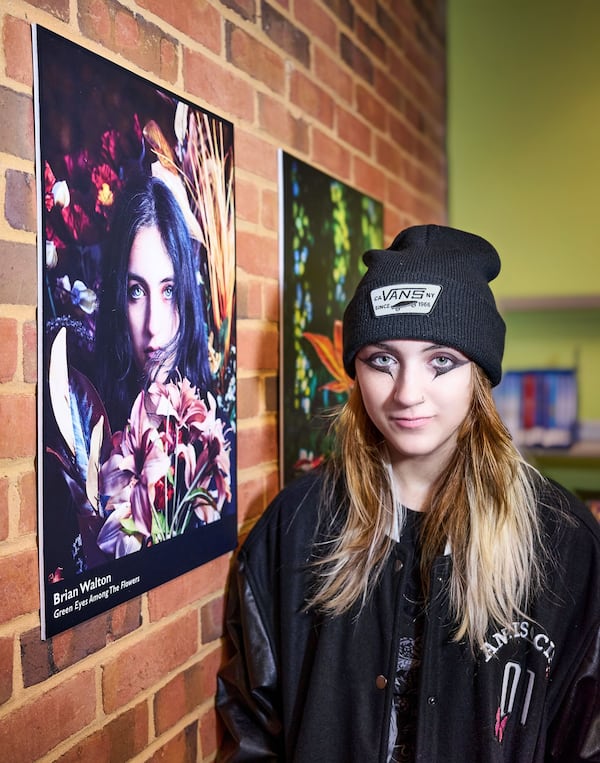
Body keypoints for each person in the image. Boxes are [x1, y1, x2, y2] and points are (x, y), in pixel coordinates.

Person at [216, 225, 600, 762]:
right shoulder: (296, 527)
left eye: (440, 360)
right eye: (382, 360)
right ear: (356, 369)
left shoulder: (564, 541)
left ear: (479, 376)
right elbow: (254, 730)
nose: (407, 393)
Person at [95, 173, 212, 431]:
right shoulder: (92, 430)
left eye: (168, 291)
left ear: (186, 298)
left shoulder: (212, 433)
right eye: (136, 291)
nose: (153, 325)